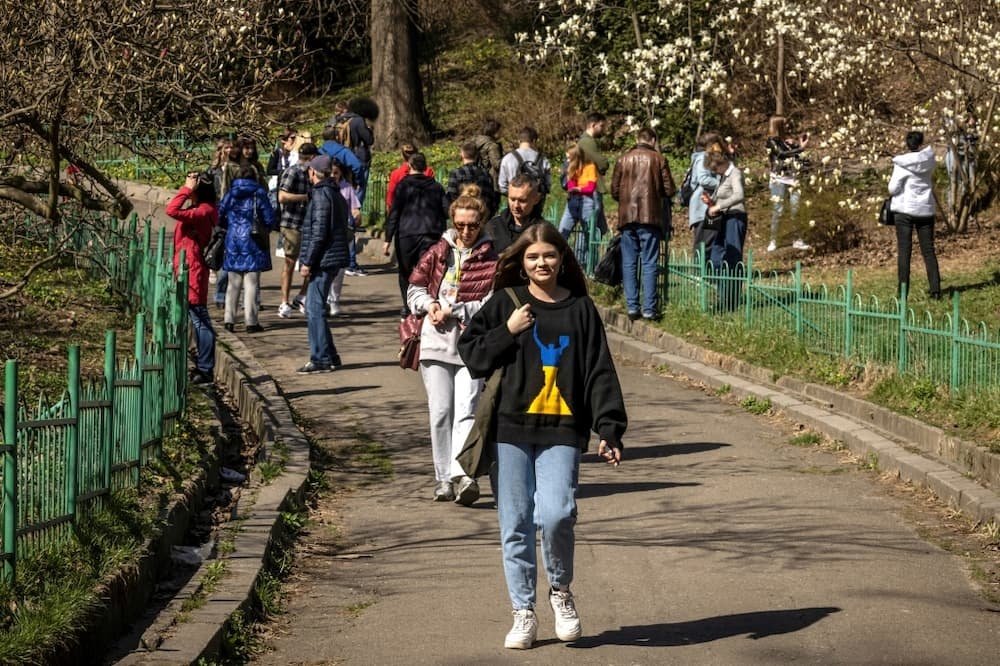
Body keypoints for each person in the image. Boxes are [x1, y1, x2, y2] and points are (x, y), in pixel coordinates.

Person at [457, 223, 627, 651]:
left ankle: (561, 592)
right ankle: (524, 611)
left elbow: (599, 371)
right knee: (514, 523)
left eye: (549, 255)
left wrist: (609, 428)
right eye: (532, 257)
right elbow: (471, 353)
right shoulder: (506, 303)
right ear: (522, 262)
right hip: (510, 429)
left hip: (563, 431)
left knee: (556, 514)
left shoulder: (581, 309)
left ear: (562, 258)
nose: (541, 263)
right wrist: (508, 330)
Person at [406, 186, 498, 503]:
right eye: (460, 225)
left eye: (473, 225)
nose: (466, 231)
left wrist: (457, 310)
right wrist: (428, 304)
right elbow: (414, 288)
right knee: (441, 412)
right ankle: (443, 478)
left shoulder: (492, 259)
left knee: (467, 410)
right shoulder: (437, 252)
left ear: (482, 223)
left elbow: (491, 304)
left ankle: (463, 475)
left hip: (471, 346)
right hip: (435, 343)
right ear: (453, 222)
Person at [611, 127, 676, 320]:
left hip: (627, 218)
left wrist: (625, 200)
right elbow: (669, 189)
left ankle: (632, 308)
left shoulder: (623, 159)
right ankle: (649, 309)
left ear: (638, 139)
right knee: (649, 262)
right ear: (653, 140)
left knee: (629, 263)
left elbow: (614, 190)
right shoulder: (659, 159)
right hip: (650, 217)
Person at [296, 154, 351, 373]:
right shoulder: (335, 193)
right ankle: (330, 354)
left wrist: (308, 261)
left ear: (313, 172)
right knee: (315, 305)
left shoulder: (321, 195)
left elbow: (318, 233)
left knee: (313, 308)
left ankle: (319, 358)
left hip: (324, 258)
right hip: (332, 256)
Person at [166, 172, 219, 384]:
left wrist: (186, 189)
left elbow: (171, 210)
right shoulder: (202, 209)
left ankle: (205, 368)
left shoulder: (202, 211)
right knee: (196, 317)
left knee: (200, 319)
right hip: (188, 267)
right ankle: (202, 363)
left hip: (193, 270)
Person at [383, 152, 449, 317]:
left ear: (409, 167)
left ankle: (408, 305)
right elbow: (447, 211)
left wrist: (387, 238)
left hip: (407, 235)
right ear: (425, 167)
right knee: (428, 272)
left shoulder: (403, 186)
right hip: (431, 234)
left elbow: (394, 213)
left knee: (406, 273)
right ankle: (427, 304)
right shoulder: (436, 187)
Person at [218, 164, 276, 333]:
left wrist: (229, 226)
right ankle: (251, 321)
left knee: (233, 282)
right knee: (251, 282)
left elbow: (220, 214)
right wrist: (267, 229)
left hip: (234, 239)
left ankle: (229, 320)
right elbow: (269, 217)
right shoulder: (259, 193)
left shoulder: (231, 193)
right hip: (254, 239)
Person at [888, 130, 941, 300]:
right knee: (928, 250)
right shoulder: (929, 160)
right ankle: (936, 291)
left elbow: (892, 188)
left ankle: (902, 294)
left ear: (907, 144)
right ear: (921, 143)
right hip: (925, 209)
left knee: (905, 251)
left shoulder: (901, 164)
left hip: (905, 210)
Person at [700, 151, 748, 311]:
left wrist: (719, 206)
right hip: (723, 219)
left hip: (735, 217)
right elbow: (719, 197)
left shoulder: (735, 173)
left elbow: (739, 195)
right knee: (716, 258)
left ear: (722, 164)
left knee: (733, 258)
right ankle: (723, 297)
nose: (714, 173)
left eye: (715, 169)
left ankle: (733, 301)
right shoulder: (722, 177)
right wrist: (710, 201)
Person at [276, 142, 319, 318]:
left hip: (309, 224)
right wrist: (304, 197)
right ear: (311, 157)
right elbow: (282, 196)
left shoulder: (313, 174)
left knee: (311, 263)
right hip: (292, 223)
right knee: (290, 262)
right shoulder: (293, 172)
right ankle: (284, 301)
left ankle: (301, 296)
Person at [766, 116, 811, 252]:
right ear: (778, 126)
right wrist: (800, 148)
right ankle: (773, 240)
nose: (788, 126)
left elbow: (799, 157)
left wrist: (797, 145)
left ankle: (797, 239)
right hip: (778, 179)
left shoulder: (787, 141)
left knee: (796, 210)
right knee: (778, 210)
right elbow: (781, 154)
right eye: (785, 124)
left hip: (793, 178)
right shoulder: (771, 141)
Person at [326, 159, 363, 316]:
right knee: (325, 269)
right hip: (327, 233)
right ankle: (323, 300)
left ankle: (334, 301)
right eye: (331, 173)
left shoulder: (347, 188)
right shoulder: (323, 187)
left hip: (343, 232)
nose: (334, 175)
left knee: (340, 270)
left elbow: (354, 208)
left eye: (336, 172)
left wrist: (356, 215)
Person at [557, 141, 599, 265]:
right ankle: (561, 260)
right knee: (562, 230)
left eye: (569, 157)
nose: (567, 160)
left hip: (586, 201)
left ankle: (587, 263)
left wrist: (579, 189)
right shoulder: (570, 167)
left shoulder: (590, 167)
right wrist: (573, 188)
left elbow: (590, 187)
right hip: (573, 200)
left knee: (588, 234)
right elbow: (570, 184)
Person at [331, 97, 378, 205]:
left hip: (341, 157)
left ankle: (344, 211)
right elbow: (369, 140)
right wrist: (370, 130)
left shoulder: (335, 122)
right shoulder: (357, 120)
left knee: (345, 185)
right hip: (359, 157)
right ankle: (354, 213)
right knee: (360, 185)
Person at [484, 175, 546, 255]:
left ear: (536, 199)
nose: (516, 205)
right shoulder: (494, 227)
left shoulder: (543, 230)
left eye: (522, 201)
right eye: (512, 199)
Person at [498, 126, 551, 216]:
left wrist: (515, 196)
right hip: (535, 206)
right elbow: (547, 185)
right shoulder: (543, 160)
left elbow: (502, 185)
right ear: (534, 141)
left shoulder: (508, 158)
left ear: (519, 141)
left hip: (515, 205)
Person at [687, 132, 722, 259]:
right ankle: (698, 273)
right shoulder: (703, 158)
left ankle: (703, 272)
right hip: (702, 206)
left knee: (708, 241)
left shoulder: (706, 157)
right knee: (703, 242)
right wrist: (722, 183)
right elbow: (703, 179)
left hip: (708, 204)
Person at [576, 112, 610, 236]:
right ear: (593, 125)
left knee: (599, 228)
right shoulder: (586, 142)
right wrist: (605, 163)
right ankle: (583, 255)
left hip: (593, 187)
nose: (603, 129)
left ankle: (591, 255)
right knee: (589, 228)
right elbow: (602, 163)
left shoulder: (588, 141)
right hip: (592, 187)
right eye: (601, 126)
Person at [446, 142, 496, 217]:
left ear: (462, 154)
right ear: (476, 155)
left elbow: (451, 197)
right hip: (482, 216)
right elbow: (491, 198)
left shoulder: (456, 173)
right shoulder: (486, 174)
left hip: (462, 214)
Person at [386, 143, 434, 212]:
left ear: (402, 156)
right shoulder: (428, 171)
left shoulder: (396, 174)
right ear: (417, 153)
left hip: (403, 215)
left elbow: (390, 199)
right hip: (424, 213)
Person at [472, 118, 504, 210]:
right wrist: (507, 159)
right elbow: (496, 164)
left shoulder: (476, 141)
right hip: (491, 182)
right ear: (494, 131)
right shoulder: (492, 145)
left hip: (476, 179)